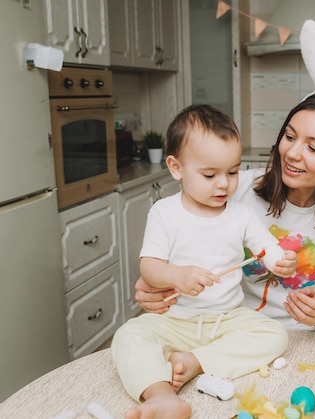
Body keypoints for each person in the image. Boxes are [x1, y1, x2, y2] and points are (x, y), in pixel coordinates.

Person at [133, 20, 315, 332]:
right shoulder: (231, 188)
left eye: (314, 148)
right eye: (290, 136)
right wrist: (154, 285)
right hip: (224, 330)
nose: (292, 153)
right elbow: (176, 244)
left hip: (296, 340)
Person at [111, 104, 298, 419]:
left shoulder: (240, 214)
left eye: (233, 172)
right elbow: (149, 268)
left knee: (275, 335)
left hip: (227, 319)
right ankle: (160, 394)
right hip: (173, 319)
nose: (224, 184)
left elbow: (268, 248)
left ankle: (196, 361)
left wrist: (282, 261)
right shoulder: (164, 212)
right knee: (128, 336)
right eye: (210, 174)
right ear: (176, 168)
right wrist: (176, 275)